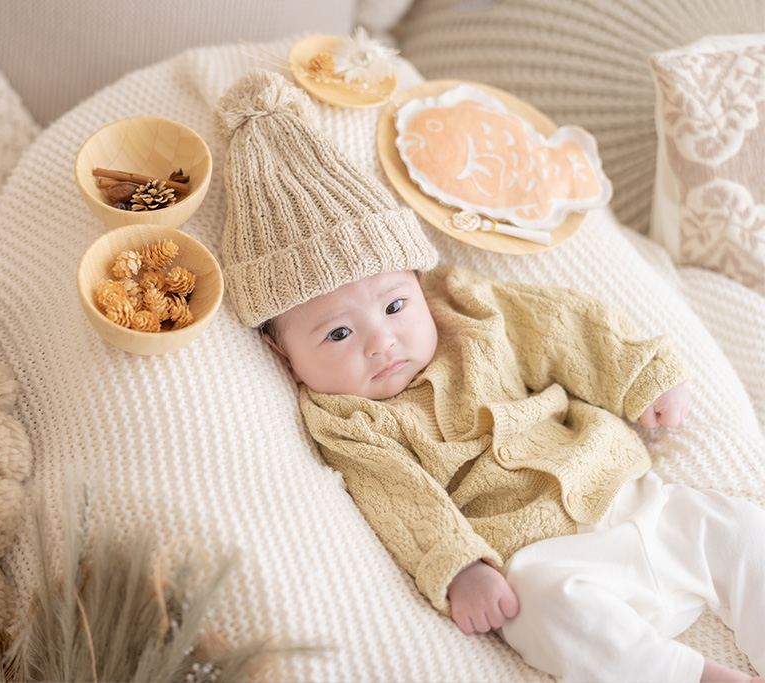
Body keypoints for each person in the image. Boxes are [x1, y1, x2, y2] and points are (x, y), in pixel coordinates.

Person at [216, 68, 765, 682]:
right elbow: (399, 497)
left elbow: (564, 326)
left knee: (739, 528)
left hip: (632, 498)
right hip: (545, 558)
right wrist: (459, 567)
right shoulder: (347, 419)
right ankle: (683, 675)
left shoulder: (465, 308)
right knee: (541, 611)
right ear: (283, 355)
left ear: (419, 282)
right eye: (338, 334)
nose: (383, 340)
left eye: (395, 306)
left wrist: (639, 373)